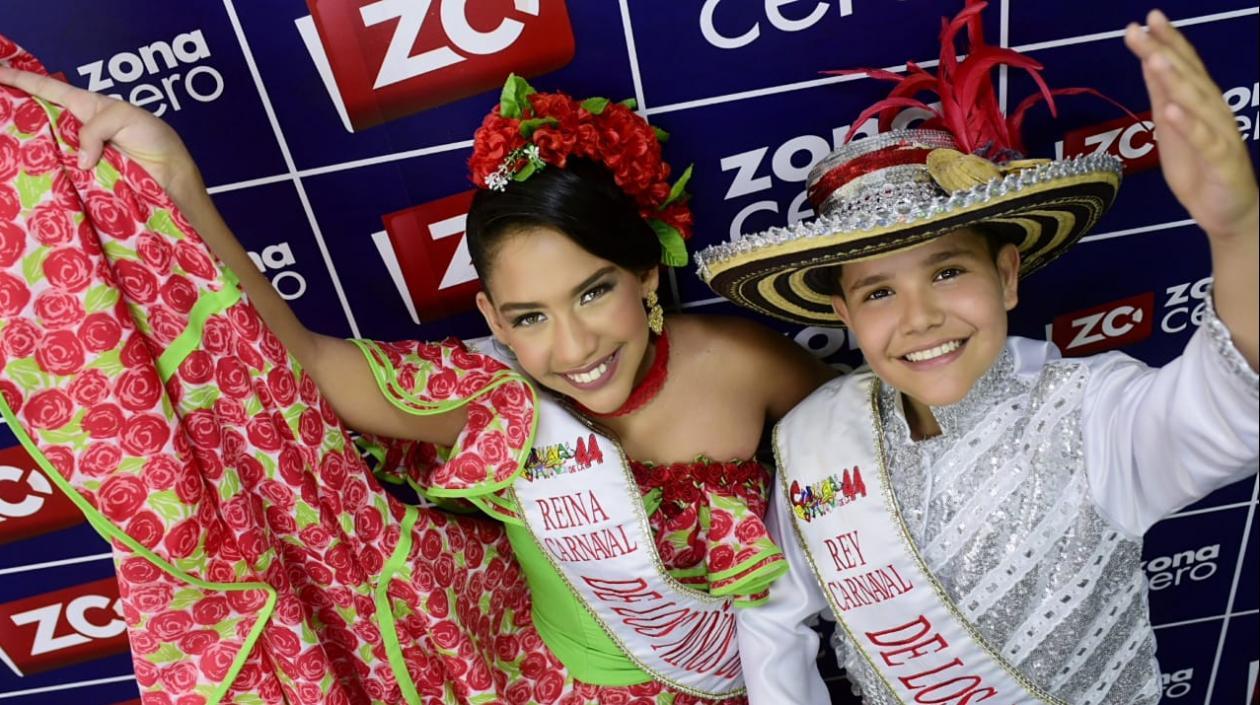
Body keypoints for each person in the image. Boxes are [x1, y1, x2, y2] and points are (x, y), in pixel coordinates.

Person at [0, 39, 833, 705]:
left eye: (594, 291)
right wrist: (176, 175)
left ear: (646, 276)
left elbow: (854, 464)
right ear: (493, 322)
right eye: (530, 317)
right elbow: (310, 361)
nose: (574, 345)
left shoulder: (747, 364)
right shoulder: (489, 408)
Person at [696, 4, 1258, 704]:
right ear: (843, 315)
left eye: (946, 272)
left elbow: (1236, 404)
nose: (920, 317)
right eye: (878, 293)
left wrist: (1236, 231)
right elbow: (773, 619)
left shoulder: (1090, 412)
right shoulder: (818, 440)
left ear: (1008, 274)